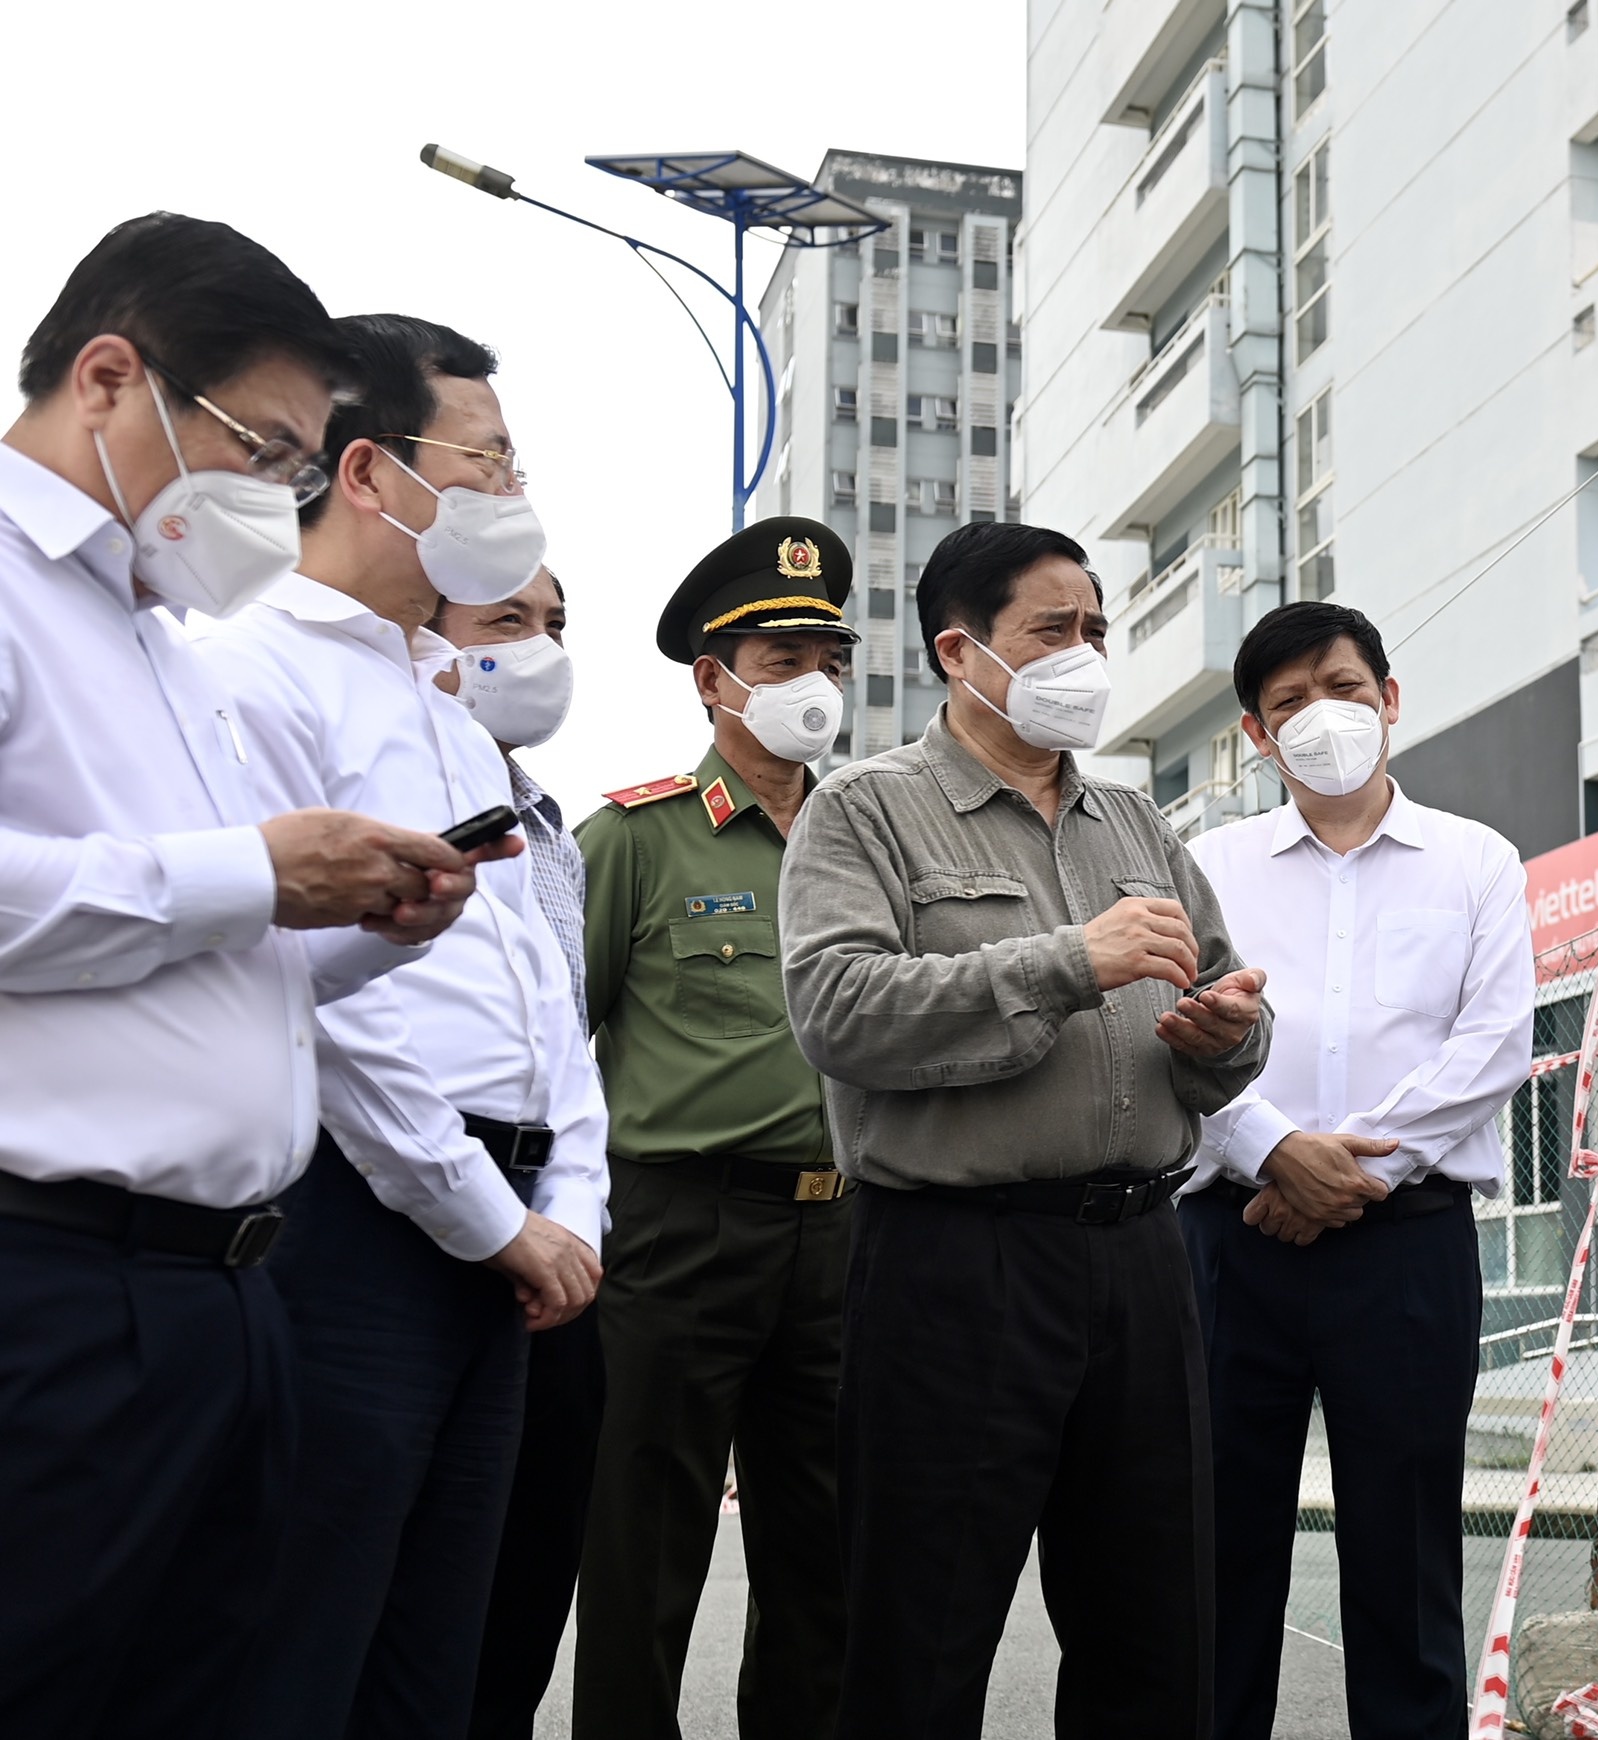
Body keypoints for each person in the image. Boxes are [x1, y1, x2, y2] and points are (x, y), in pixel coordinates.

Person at [0, 213, 491, 1740]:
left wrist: (344, 924)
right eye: (260, 446)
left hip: (226, 1293)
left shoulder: (158, 642)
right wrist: (256, 874)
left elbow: (183, 950)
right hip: (54, 1284)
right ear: (107, 377)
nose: (275, 495)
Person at [778, 519, 1270, 1739]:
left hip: (1141, 1259)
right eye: (1052, 631)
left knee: (1156, 1632)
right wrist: (1066, 962)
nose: (1085, 655)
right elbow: (837, 1011)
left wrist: (1228, 1039)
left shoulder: (1135, 824)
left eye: (1093, 629)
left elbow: (1229, 1002)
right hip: (957, 1262)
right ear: (960, 651)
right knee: (921, 1632)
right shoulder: (865, 812)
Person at [194, 313, 609, 1740]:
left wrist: (573, 1206)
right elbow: (304, 999)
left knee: (439, 1659)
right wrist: (489, 1216)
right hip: (358, 1230)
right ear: (369, 471)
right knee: (307, 1649)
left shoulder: (440, 699)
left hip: (508, 1242)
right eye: (486, 460)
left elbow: (541, 1000)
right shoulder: (251, 677)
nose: (512, 494)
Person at [1179, 600, 1533, 1740]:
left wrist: (1345, 1174)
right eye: (1289, 704)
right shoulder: (1209, 867)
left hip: (1410, 1249)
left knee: (1407, 1558)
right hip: (1232, 1247)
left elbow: (1491, 1048)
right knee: (1217, 1559)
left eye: (1342, 689)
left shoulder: (1474, 861)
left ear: (1388, 700)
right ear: (1254, 734)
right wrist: (1273, 1155)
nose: (1320, 717)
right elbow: (1172, 1032)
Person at [573, 519, 859, 1740]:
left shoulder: (871, 837)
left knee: (830, 1550)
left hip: (845, 1233)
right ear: (714, 677)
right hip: (680, 1228)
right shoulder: (634, 839)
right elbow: (550, 1047)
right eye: (783, 657)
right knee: (645, 1547)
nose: (814, 686)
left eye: (829, 659)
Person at [438, 566, 607, 1740]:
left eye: (554, 625)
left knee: (526, 1582)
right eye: (509, 623)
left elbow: (574, 1057)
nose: (542, 648)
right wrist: (495, 1225)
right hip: (426, 1215)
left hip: (562, 1245)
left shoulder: (553, 833)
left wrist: (574, 1225)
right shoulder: (378, 786)